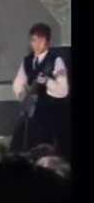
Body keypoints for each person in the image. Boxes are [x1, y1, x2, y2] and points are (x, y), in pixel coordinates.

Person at [10, 23, 69, 153]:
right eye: (33, 40)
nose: (36, 44)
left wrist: (47, 81)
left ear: (47, 42)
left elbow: (63, 90)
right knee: (19, 142)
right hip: (31, 113)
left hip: (50, 113)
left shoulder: (56, 61)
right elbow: (17, 83)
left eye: (40, 41)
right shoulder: (27, 60)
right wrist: (23, 97)